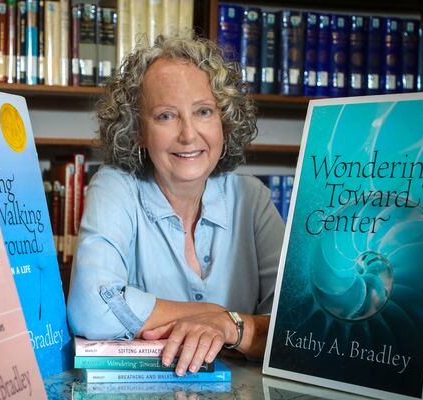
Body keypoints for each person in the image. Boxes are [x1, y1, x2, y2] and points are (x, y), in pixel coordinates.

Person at [67, 35, 284, 376]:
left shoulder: (252, 198)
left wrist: (228, 327)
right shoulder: (114, 186)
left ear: (223, 122)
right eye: (166, 116)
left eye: (203, 111)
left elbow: (294, 332)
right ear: (139, 130)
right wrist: (216, 315)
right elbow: (91, 307)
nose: (188, 134)